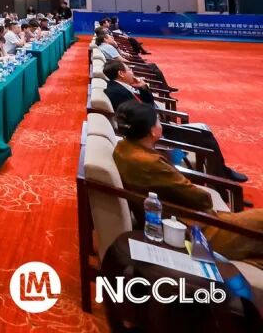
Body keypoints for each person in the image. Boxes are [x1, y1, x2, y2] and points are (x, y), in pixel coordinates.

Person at [112, 101, 263, 265]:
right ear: (152, 131)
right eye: (158, 120)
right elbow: (201, 199)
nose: (160, 123)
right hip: (191, 229)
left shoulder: (123, 147)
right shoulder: (149, 163)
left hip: (177, 217)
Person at [103, 60, 245, 182]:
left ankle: (220, 171)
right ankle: (220, 178)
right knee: (205, 137)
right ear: (121, 73)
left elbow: (146, 107)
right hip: (152, 132)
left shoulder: (120, 88)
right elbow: (143, 114)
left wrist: (144, 88)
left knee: (204, 130)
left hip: (154, 125)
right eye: (128, 69)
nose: (132, 71)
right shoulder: (117, 92)